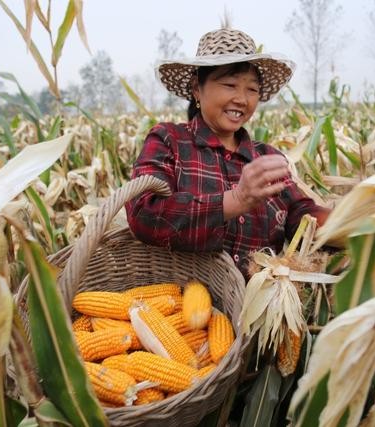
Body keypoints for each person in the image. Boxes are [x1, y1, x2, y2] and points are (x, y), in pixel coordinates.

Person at [125, 28, 330, 278]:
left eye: (252, 89)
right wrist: (237, 200)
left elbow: (301, 217)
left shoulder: (266, 157)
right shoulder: (169, 141)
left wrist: (355, 219)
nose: (242, 99)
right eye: (230, 85)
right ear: (197, 89)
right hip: (181, 307)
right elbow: (144, 215)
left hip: (256, 309)